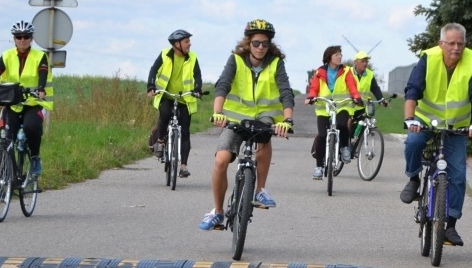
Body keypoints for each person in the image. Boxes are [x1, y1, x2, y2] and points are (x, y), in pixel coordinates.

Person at [198, 19, 294, 230]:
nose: (261, 47)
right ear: (248, 43)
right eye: (256, 43)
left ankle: (260, 189)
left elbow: (286, 91)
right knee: (221, 161)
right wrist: (217, 113)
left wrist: (287, 120)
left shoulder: (276, 63)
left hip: (264, 118)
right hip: (234, 118)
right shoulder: (236, 60)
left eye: (265, 43)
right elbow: (222, 85)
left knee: (264, 139)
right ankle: (218, 212)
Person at [399, 23, 472, 247]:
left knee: (457, 175)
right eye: (451, 43)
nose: (456, 48)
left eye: (460, 43)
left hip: (456, 125)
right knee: (413, 142)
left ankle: (451, 226)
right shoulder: (428, 58)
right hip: (425, 120)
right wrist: (410, 119)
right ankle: (413, 178)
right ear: (441, 44)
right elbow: (413, 89)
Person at [0, 20, 52, 177]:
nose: (22, 40)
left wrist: (41, 88)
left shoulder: (40, 56)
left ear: (31, 39)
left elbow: (43, 72)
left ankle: (35, 157)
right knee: (6, 138)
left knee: (31, 127)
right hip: (12, 103)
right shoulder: (7, 56)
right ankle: (4, 176)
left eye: (26, 36)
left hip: (33, 103)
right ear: (14, 38)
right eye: (18, 36)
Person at [146, 29, 203, 179]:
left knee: (185, 131)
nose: (189, 44)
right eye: (186, 41)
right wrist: (151, 86)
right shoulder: (165, 54)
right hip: (166, 95)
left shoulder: (192, 57)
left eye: (189, 41)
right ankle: (160, 140)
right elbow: (153, 70)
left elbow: (197, 75)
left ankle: (183, 166)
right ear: (177, 44)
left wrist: (197, 89)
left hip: (185, 98)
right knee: (164, 114)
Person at [305, 46, 364, 180]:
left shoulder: (346, 71)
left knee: (342, 125)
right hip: (324, 108)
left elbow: (352, 86)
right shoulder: (320, 72)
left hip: (342, 106)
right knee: (321, 136)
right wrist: (311, 97)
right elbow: (314, 87)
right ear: (329, 57)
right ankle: (319, 167)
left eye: (340, 55)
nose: (339, 57)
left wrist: (356, 97)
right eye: (336, 55)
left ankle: (344, 148)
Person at [345, 50, 387, 138]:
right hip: (349, 104)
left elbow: (375, 88)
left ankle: (357, 141)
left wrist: (381, 100)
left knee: (364, 124)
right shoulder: (348, 72)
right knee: (346, 126)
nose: (365, 63)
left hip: (363, 105)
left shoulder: (370, 74)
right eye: (362, 61)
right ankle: (346, 144)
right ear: (355, 62)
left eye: (366, 61)